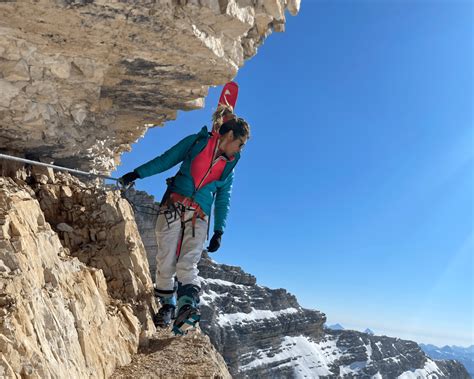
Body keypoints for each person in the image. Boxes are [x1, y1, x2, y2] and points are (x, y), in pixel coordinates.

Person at [119, 106, 250, 335]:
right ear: (230, 136)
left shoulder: (229, 167)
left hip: (198, 217)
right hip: (173, 206)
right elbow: (166, 159)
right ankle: (168, 306)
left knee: (187, 263)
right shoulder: (196, 142)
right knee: (166, 259)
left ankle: (187, 308)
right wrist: (137, 173)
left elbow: (222, 199)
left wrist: (219, 230)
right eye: (240, 143)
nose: (240, 149)